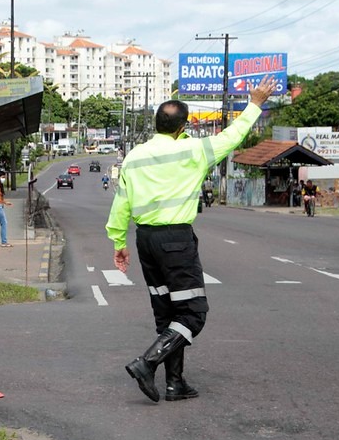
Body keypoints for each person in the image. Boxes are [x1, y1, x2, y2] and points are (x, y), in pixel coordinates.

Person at [105, 75, 277, 403]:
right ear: (183, 127)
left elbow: (121, 204)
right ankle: (147, 363)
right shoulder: (193, 150)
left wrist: (118, 243)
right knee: (193, 313)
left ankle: (175, 383)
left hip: (145, 241)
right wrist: (254, 104)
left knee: (167, 315)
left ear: (156, 124)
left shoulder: (133, 157)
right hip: (176, 241)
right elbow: (232, 136)